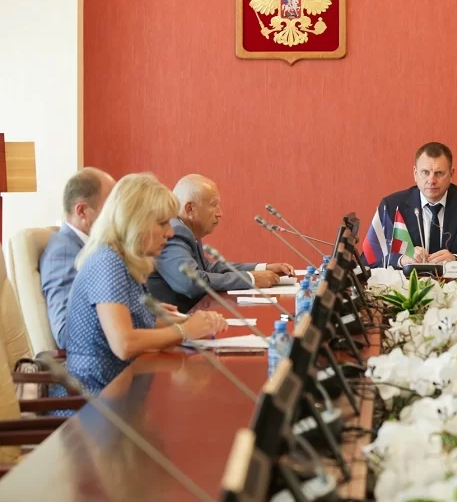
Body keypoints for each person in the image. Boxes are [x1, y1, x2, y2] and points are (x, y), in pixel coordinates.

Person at [64, 173, 228, 393]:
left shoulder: (126, 262)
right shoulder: (107, 262)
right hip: (93, 399)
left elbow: (142, 324)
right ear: (135, 222)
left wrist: (195, 323)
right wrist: (185, 330)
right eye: (162, 223)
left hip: (125, 387)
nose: (170, 233)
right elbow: (124, 343)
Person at [147, 174, 294, 313]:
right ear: (190, 209)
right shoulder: (175, 231)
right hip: (172, 324)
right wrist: (250, 278)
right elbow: (190, 282)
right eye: (213, 205)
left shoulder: (185, 228)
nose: (220, 213)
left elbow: (207, 268)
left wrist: (262, 268)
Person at [364, 142, 457, 267]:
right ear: (415, 174)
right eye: (425, 172)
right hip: (406, 282)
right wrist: (401, 260)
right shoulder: (391, 205)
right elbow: (367, 258)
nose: (431, 180)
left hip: (456, 281)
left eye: (439, 173)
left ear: (451, 174)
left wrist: (456, 259)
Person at [40, 167, 116, 348]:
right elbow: (67, 334)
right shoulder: (64, 253)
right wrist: (125, 319)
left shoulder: (90, 248)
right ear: (82, 211)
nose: (116, 217)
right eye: (110, 209)